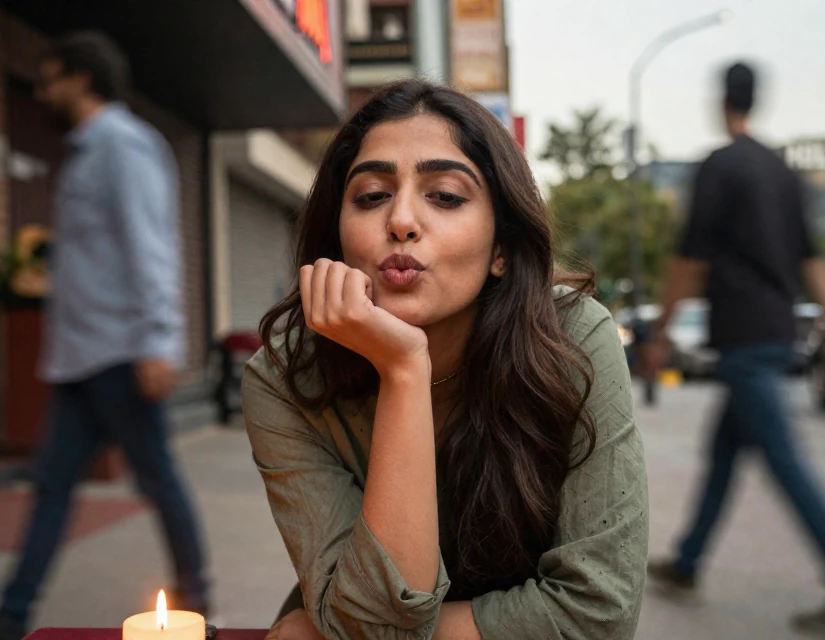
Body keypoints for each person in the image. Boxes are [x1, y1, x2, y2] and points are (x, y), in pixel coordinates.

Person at [243, 79, 648, 640]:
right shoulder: (284, 379)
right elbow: (372, 620)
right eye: (371, 196)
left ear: (502, 248)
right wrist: (405, 370)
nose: (401, 220)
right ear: (337, 240)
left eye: (446, 196)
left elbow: (598, 614)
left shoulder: (574, 339)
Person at [0, 31, 211, 640]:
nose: (43, 90)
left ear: (82, 79)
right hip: (80, 360)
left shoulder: (124, 146)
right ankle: (10, 616)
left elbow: (151, 248)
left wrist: (159, 341)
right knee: (53, 487)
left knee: (157, 479)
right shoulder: (86, 152)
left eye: (51, 77)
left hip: (120, 354)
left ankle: (198, 610)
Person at [641, 62, 825, 638]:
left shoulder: (720, 166)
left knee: (785, 461)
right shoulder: (783, 171)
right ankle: (686, 565)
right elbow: (814, 260)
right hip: (777, 333)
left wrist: (659, 335)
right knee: (725, 453)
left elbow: (689, 261)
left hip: (743, 337)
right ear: (757, 100)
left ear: (721, 102)